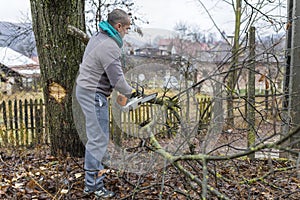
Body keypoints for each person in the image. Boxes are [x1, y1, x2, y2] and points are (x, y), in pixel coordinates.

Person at [75, 9, 136, 198]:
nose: (127, 32)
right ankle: (93, 186)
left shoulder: (99, 36)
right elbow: (117, 80)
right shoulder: (109, 45)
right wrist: (132, 93)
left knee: (96, 137)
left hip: (88, 91)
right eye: (126, 28)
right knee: (98, 139)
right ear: (118, 26)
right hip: (93, 94)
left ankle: (93, 178)